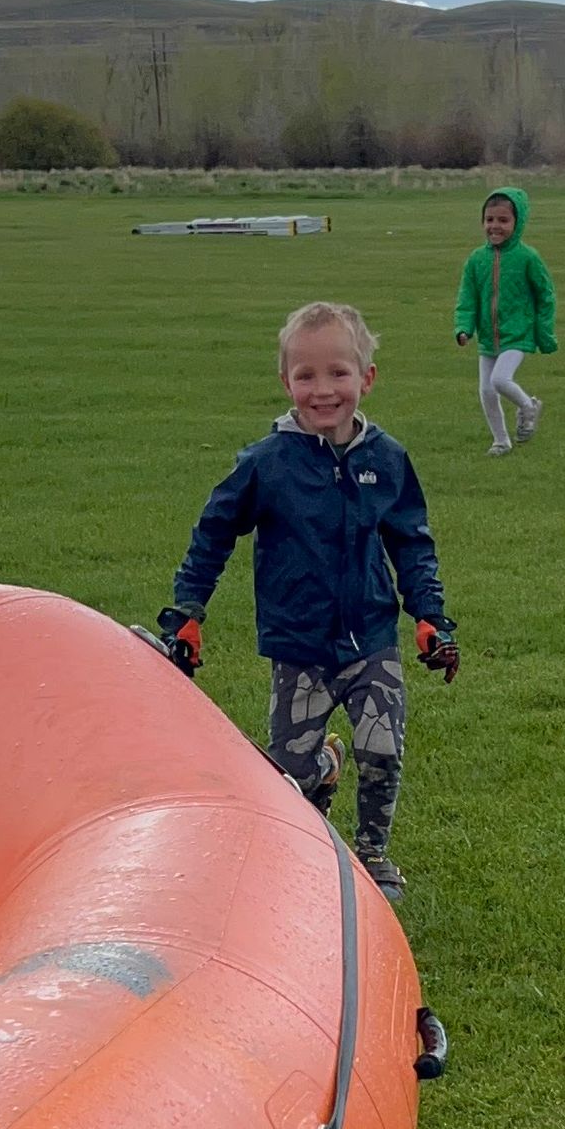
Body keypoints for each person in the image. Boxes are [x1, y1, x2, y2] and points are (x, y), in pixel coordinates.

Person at [161, 300, 457, 899]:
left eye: (339, 373)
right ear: (286, 382)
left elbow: (412, 543)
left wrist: (429, 615)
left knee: (382, 748)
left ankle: (372, 855)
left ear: (366, 378)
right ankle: (320, 770)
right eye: (306, 376)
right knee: (288, 776)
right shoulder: (267, 464)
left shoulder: (388, 461)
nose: (323, 390)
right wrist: (188, 612)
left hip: (372, 638)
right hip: (299, 646)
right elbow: (214, 531)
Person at [454, 184, 557, 453]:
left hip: (518, 334)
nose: (495, 226)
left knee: (500, 380)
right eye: (489, 220)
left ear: (517, 222)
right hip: (489, 337)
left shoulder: (528, 257)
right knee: (486, 392)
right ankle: (501, 441)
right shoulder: (476, 260)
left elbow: (546, 295)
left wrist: (543, 333)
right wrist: (464, 328)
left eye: (503, 220)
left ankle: (528, 406)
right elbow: (467, 298)